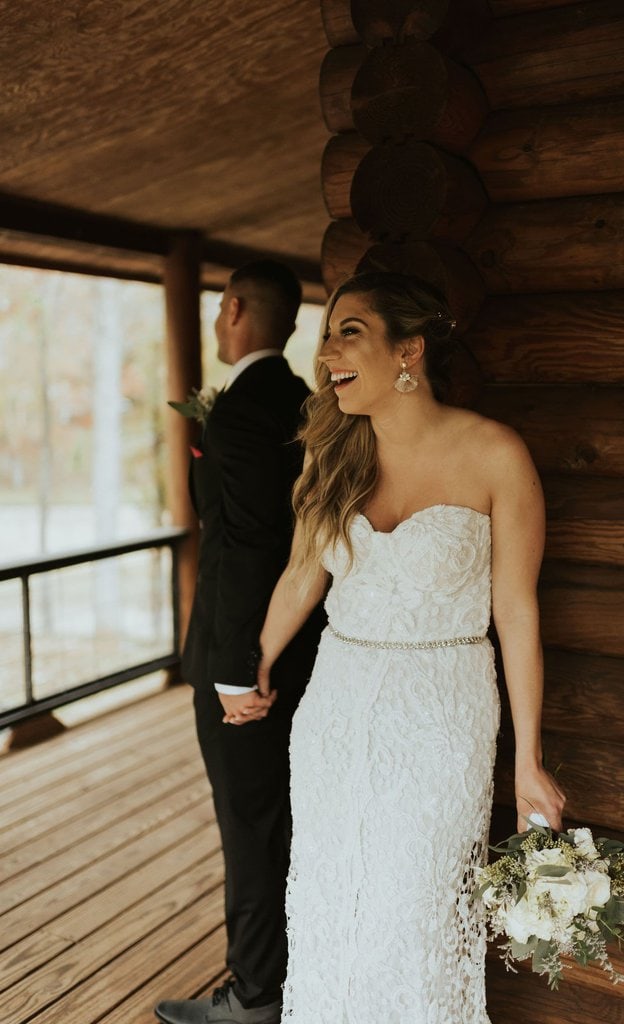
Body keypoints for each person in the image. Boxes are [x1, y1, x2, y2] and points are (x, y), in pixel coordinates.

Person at [253, 271, 566, 1023]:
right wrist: (255, 662)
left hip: (441, 712)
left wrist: (528, 759)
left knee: (412, 911)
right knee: (331, 899)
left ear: (410, 351)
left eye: (347, 331)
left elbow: (517, 612)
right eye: (326, 333)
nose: (326, 351)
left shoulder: (496, 454)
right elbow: (302, 575)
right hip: (335, 708)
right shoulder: (331, 456)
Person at [155, 260, 324, 1024]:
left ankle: (255, 994)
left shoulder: (241, 411)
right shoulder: (302, 402)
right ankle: (287, 975)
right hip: (305, 654)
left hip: (248, 667)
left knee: (250, 826)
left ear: (231, 309)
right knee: (281, 819)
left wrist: (233, 669)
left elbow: (249, 543)